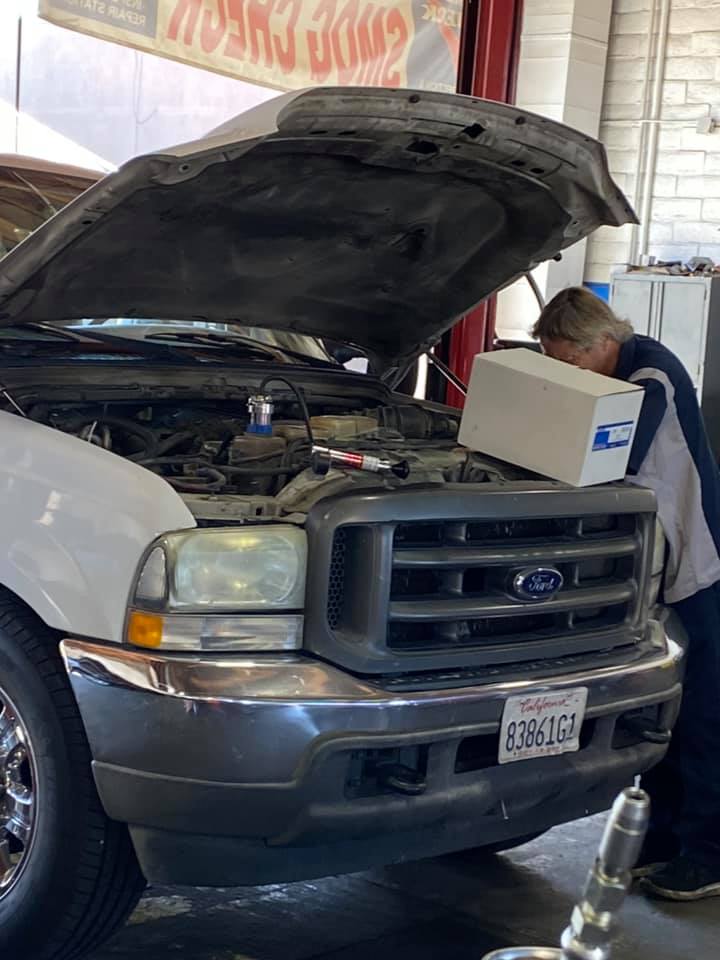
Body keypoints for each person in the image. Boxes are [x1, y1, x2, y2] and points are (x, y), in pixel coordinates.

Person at [532, 286, 720, 902]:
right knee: (664, 710)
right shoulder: (616, 370)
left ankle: (708, 854)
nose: (568, 375)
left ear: (604, 342)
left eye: (571, 362)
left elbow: (609, 453)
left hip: (700, 559)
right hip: (654, 564)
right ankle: (663, 839)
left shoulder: (649, 377)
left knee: (704, 712)